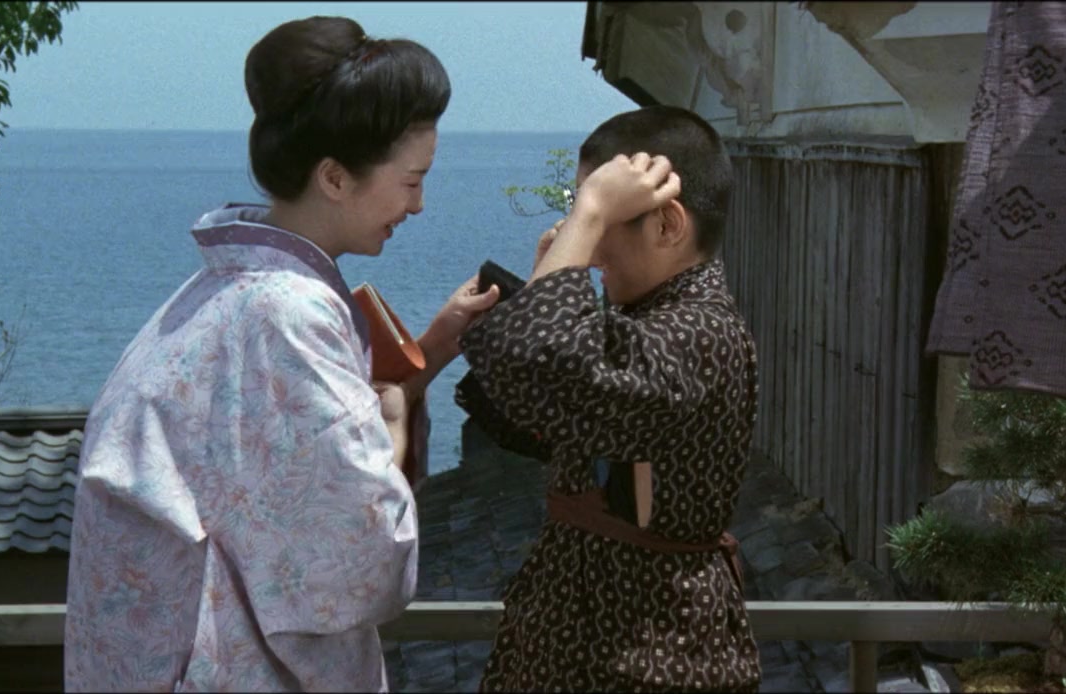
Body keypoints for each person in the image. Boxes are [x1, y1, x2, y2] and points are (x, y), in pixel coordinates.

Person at [64, 16, 499, 693]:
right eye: (412, 181)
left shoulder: (226, 288)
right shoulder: (289, 314)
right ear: (334, 176)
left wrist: (434, 347)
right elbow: (364, 548)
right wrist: (392, 423)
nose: (418, 205)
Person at [462, 106, 762, 692]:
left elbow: (536, 361)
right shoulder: (648, 321)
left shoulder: (699, 331)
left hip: (647, 652)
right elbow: (534, 407)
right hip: (595, 638)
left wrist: (589, 213)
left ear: (667, 226)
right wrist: (547, 279)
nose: (589, 245)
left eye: (601, 222)